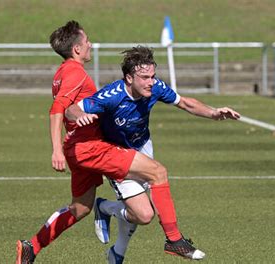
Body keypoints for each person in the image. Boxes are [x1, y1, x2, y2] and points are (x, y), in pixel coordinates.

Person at [16, 23, 205, 264]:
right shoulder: (75, 73)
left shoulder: (62, 72)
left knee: (80, 208)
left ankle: (32, 246)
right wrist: (55, 149)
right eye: (87, 42)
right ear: (76, 48)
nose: (90, 45)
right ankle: (174, 240)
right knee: (157, 172)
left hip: (77, 147)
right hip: (91, 147)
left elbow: (68, 108)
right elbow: (58, 110)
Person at [66, 45, 240, 263]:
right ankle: (173, 241)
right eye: (145, 77)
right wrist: (80, 115)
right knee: (145, 214)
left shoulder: (155, 88)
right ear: (129, 78)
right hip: (117, 155)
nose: (151, 81)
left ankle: (110, 224)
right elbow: (70, 109)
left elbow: (184, 102)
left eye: (153, 76)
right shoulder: (111, 96)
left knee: (143, 214)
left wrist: (214, 113)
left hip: (143, 148)